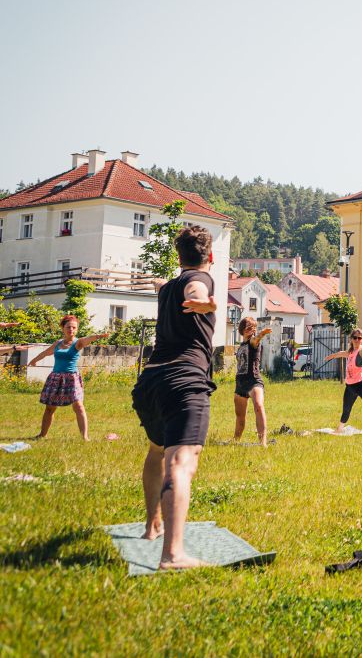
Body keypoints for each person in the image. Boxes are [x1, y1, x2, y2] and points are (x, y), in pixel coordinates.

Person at [130, 225, 221, 570]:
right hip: (183, 380)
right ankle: (172, 555)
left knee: (157, 451)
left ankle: (152, 525)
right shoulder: (200, 279)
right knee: (182, 462)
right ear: (210, 256)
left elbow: (166, 286)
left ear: (178, 256)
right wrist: (207, 303)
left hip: (150, 381)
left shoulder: (168, 287)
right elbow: (199, 291)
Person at [26, 315, 109, 441]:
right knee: (50, 408)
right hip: (56, 377)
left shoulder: (78, 343)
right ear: (63, 328)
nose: (71, 329)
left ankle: (85, 437)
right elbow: (46, 352)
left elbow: (87, 339)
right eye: (68, 327)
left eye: (74, 327)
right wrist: (34, 360)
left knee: (78, 406)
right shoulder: (58, 343)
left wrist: (98, 336)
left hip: (71, 378)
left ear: (77, 329)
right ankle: (42, 435)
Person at [321, 330, 362, 433]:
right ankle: (339, 429)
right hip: (350, 386)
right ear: (351, 339)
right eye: (355, 337)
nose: (357, 340)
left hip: (361, 384)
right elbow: (341, 353)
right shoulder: (350, 352)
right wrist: (331, 356)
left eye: (359, 338)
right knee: (346, 409)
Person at [233, 317, 271, 446]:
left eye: (254, 327)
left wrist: (262, 333)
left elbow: (257, 339)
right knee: (240, 416)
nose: (252, 329)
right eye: (249, 326)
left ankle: (263, 443)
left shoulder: (253, 342)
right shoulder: (241, 346)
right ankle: (235, 441)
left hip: (253, 381)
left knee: (259, 406)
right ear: (242, 329)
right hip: (240, 382)